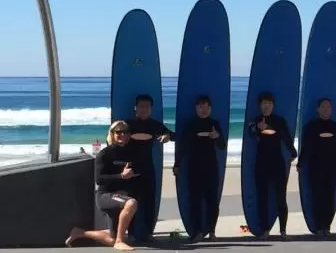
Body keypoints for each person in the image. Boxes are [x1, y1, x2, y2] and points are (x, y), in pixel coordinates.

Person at [66, 121, 140, 251]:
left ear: (129, 135)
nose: (122, 134)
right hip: (105, 196)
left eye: (125, 132)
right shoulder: (104, 154)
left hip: (119, 198)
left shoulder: (131, 153)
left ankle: (79, 233)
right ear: (112, 134)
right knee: (132, 203)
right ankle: (120, 241)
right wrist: (121, 176)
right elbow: (99, 179)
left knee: (110, 240)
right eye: (118, 132)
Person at [173, 95, 227, 240]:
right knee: (195, 200)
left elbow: (222, 146)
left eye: (206, 107)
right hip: (194, 167)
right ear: (196, 108)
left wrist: (217, 137)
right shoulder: (190, 125)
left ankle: (212, 231)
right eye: (200, 107)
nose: (203, 110)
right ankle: (197, 231)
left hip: (211, 167)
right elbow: (182, 146)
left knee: (212, 201)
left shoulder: (214, 124)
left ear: (210, 109)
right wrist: (177, 164)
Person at [247, 91, 297, 238]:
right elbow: (251, 131)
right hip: (261, 164)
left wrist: (293, 153)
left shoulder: (279, 121)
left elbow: (287, 139)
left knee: (281, 197)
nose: (266, 106)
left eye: (269, 104)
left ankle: (283, 231)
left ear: (273, 105)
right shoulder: (255, 121)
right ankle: (265, 230)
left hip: (278, 164)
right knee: (262, 197)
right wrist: (258, 128)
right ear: (259, 106)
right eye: (263, 104)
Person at [123, 93, 173, 237]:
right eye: (141, 107)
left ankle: (148, 233)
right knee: (131, 202)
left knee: (148, 202)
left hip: (147, 169)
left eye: (146, 107)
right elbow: (112, 136)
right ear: (135, 108)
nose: (143, 109)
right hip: (129, 169)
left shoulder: (155, 125)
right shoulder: (128, 125)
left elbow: (174, 135)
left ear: (151, 109)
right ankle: (131, 233)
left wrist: (167, 136)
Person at [298, 97, 336, 236]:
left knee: (329, 196)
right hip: (315, 166)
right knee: (317, 196)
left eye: (328, 107)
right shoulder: (311, 126)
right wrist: (301, 163)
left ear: (331, 110)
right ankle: (319, 226)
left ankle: (327, 226)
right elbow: (306, 146)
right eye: (323, 107)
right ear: (318, 109)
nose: (326, 110)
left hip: (332, 166)